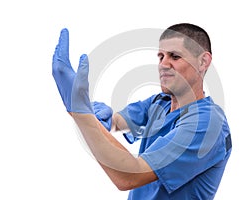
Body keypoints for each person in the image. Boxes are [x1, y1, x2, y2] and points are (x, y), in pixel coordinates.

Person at [52, 23, 232, 199]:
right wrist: (91, 113)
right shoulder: (159, 104)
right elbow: (115, 122)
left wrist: (81, 113)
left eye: (175, 56)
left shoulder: (208, 124)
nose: (163, 64)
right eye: (160, 56)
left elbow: (129, 176)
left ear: (203, 61)